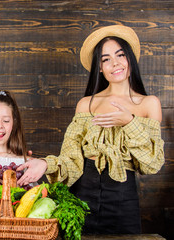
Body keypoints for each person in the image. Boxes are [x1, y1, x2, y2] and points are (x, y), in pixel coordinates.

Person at [17, 25, 165, 234]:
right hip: (82, 194)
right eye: (106, 59)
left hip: (124, 198)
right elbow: (71, 160)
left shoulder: (149, 104)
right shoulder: (86, 104)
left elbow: (152, 164)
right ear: (100, 68)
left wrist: (129, 122)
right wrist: (44, 164)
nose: (115, 63)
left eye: (120, 55)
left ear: (130, 58)